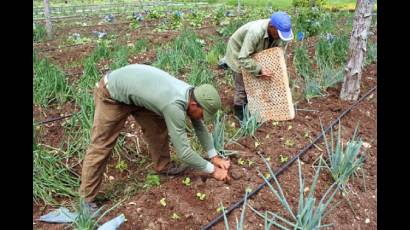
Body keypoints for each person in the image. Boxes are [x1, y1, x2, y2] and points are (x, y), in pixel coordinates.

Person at [79, 64, 231, 206]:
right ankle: (86, 201)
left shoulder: (192, 94)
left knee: (157, 129)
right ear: (194, 105)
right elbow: (184, 152)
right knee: (102, 145)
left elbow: (199, 126)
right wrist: (213, 170)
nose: (203, 118)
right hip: (112, 92)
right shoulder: (174, 105)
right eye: (204, 114)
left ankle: (164, 168)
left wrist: (214, 156)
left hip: (136, 92)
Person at [222, 12, 294, 120]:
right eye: (279, 34)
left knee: (255, 78)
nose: (279, 37)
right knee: (242, 85)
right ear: (271, 27)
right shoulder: (255, 32)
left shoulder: (275, 33)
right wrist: (259, 69)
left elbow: (271, 51)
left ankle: (252, 105)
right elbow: (243, 58)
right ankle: (239, 112)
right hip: (238, 52)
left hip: (253, 51)